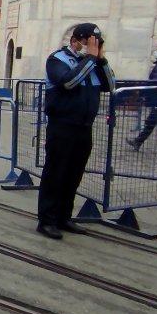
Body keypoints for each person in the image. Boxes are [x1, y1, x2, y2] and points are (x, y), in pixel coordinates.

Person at [36, 23, 115, 239]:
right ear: (75, 41)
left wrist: (101, 60)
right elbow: (68, 82)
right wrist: (89, 59)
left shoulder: (93, 63)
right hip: (62, 125)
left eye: (96, 44)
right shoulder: (58, 59)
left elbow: (110, 85)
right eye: (88, 43)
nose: (92, 48)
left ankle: (64, 217)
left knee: (73, 174)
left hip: (84, 127)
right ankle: (47, 220)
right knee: (56, 173)